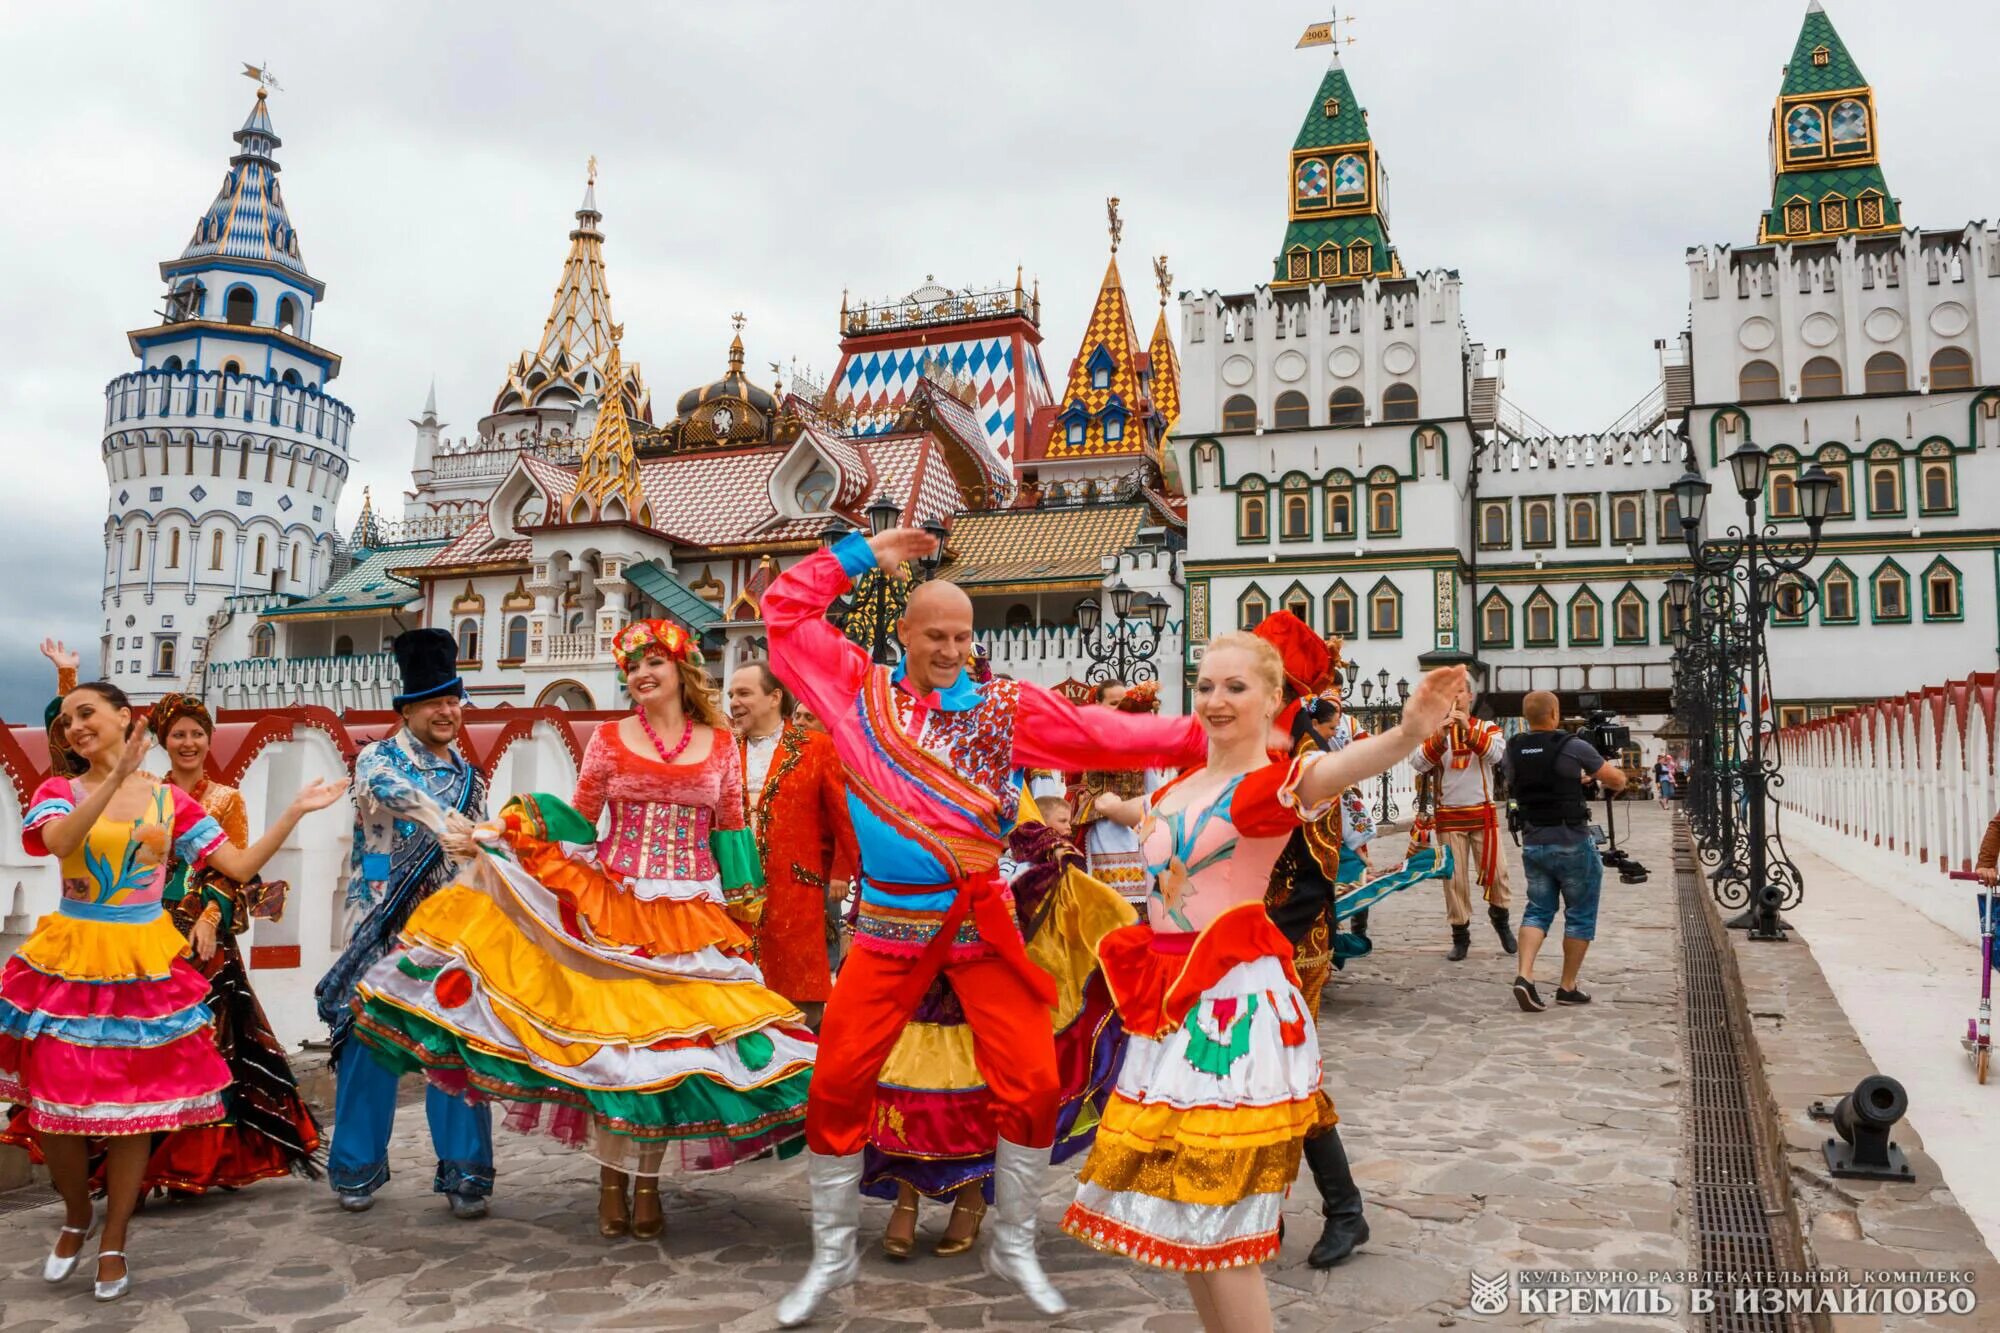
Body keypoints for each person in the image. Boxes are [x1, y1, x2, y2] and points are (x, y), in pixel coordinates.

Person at [764, 526, 1210, 1325]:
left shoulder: (1004, 708)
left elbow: (1100, 734)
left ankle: (1015, 1238)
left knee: (1034, 1085)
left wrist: (1204, 736)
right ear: (902, 633)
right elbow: (784, 611)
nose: (950, 648)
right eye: (935, 633)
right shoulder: (856, 692)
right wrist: (866, 554)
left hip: (980, 926)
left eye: (963, 635)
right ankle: (832, 1252)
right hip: (888, 931)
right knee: (834, 1082)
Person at [353, 620, 814, 1242]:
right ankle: (609, 1182)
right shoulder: (607, 740)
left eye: (653, 661)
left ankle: (645, 1185)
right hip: (615, 903)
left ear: (681, 668)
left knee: (669, 1061)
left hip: (690, 913)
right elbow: (578, 821)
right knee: (614, 1056)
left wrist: (745, 906)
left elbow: (730, 829)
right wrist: (506, 834)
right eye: (631, 667)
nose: (642, 675)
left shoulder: (721, 745)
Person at [1061, 635, 1461, 1331]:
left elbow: (1335, 771)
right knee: (1191, 1230)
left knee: (1217, 1225)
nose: (1216, 700)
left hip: (1227, 1013)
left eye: (1236, 687)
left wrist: (1406, 732)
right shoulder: (1177, 785)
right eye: (1207, 684)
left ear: (1274, 698)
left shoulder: (1269, 786)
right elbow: (1146, 817)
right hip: (1168, 1010)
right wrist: (1102, 807)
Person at [4, 680, 344, 1301]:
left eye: (88, 715)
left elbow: (237, 868)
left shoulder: (171, 803)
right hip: (71, 959)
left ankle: (113, 1238)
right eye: (68, 722)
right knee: (54, 1106)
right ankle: (77, 1213)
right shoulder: (59, 791)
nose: (76, 727)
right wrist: (115, 778)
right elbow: (59, 843)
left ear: (122, 718)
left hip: (144, 964)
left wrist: (295, 811)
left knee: (136, 1112)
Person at [865, 772, 1131, 1262]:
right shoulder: (901, 762)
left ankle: (971, 1198)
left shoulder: (990, 766)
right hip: (916, 938)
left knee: (982, 1085)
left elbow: (1026, 828)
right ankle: (905, 1196)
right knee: (903, 1079)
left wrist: (1055, 852)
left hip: (985, 951)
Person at [315, 628, 497, 1218]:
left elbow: (485, 845)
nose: (448, 712)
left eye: (454, 701)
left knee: (453, 1046)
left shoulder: (470, 773)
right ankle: (356, 1169)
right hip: (381, 924)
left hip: (448, 930)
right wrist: (446, 822)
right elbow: (393, 795)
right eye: (435, 702)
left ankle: (466, 1170)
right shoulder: (379, 759)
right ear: (408, 709)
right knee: (371, 1046)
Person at [728, 661, 855, 1027]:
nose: (734, 701)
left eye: (744, 693)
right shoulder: (723, 750)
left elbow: (843, 819)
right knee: (736, 992)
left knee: (799, 999)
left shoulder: (816, 748)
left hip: (795, 890)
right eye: (732, 694)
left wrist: (846, 874)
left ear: (774, 697)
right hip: (732, 893)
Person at [1502, 691, 1627, 1012]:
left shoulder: (1513, 750)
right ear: (1555, 713)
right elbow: (1615, 780)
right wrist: (1598, 775)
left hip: (1534, 842)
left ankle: (1524, 976)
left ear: (1526, 716)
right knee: (1580, 915)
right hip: (1572, 841)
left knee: (1537, 910)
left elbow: (1528, 782)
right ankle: (1567, 986)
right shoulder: (1572, 745)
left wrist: (1573, 776)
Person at [1411, 677, 1515, 961]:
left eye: (1460, 693)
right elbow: (1418, 762)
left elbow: (1497, 756)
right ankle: (1460, 935)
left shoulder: (1487, 728)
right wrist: (1441, 735)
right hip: (1449, 816)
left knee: (1498, 874)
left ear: (1471, 696)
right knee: (1454, 880)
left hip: (1483, 813)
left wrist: (1467, 729)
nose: (1455, 699)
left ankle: (1501, 920)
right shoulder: (1435, 731)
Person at [1073, 682, 1172, 906]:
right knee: (1109, 897)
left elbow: (1153, 786)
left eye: (1122, 702)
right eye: (1113, 703)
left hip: (1136, 820)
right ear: (1098, 705)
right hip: (1102, 821)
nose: (1119, 709)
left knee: (1141, 892)